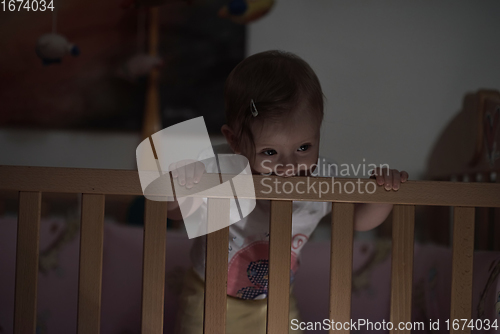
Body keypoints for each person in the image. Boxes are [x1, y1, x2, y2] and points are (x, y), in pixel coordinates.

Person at [169, 50, 409, 334]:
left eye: (304, 148)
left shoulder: (323, 178)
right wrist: (183, 183)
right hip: (208, 297)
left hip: (278, 300)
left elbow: (358, 220)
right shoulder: (218, 168)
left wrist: (384, 193)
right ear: (234, 141)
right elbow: (174, 213)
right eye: (269, 152)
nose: (288, 166)